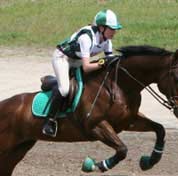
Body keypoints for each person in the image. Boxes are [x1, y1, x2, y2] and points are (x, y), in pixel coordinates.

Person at [42, 9, 122, 137]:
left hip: (77, 60)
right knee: (64, 90)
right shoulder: (86, 38)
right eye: (112, 29)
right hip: (63, 58)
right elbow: (87, 67)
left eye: (115, 29)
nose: (114, 32)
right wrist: (102, 62)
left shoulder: (107, 41)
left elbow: (109, 62)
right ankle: (49, 121)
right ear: (101, 28)